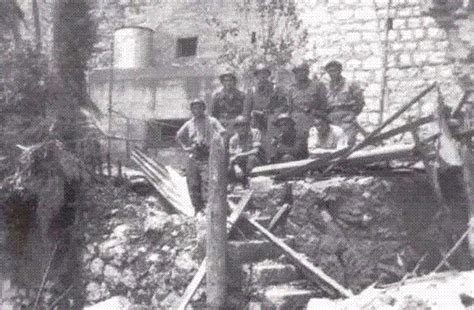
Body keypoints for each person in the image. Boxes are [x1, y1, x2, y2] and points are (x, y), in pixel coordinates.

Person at [176, 98, 226, 212]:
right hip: (194, 155)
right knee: (193, 183)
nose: (197, 110)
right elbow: (178, 136)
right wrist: (186, 148)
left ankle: (208, 208)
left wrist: (216, 146)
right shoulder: (189, 123)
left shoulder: (212, 121)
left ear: (204, 108)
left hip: (208, 155)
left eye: (199, 107)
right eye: (194, 108)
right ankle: (197, 209)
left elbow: (223, 133)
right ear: (191, 110)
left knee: (207, 182)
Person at [325, 60, 365, 146]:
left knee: (348, 143)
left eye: (334, 71)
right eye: (330, 71)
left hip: (347, 119)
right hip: (332, 119)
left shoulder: (350, 84)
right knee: (334, 143)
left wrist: (351, 115)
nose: (332, 73)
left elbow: (360, 102)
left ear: (340, 71)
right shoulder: (326, 86)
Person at [288, 61, 328, 134]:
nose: (301, 73)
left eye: (303, 71)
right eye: (298, 72)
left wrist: (318, 115)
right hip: (297, 123)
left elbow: (324, 105)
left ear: (307, 72)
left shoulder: (318, 85)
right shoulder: (291, 89)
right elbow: (290, 108)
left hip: (313, 120)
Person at [228, 115, 264, 186]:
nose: (241, 128)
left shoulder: (255, 132)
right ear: (235, 128)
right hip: (241, 163)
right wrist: (236, 167)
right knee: (229, 166)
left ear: (248, 126)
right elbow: (232, 157)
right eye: (238, 126)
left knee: (251, 159)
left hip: (257, 161)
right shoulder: (233, 139)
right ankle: (234, 185)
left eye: (243, 126)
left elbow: (255, 151)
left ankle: (249, 182)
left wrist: (240, 155)